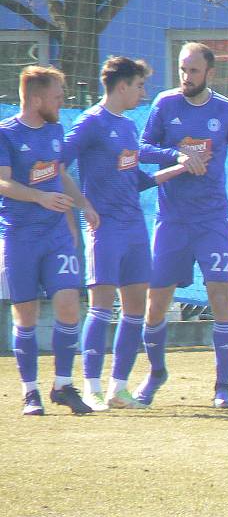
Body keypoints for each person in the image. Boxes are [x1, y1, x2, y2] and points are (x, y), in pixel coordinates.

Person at [62, 56, 188, 411]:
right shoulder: (90, 123)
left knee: (135, 307)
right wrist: (83, 205)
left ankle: (119, 387)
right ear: (121, 86)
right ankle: (91, 387)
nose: (143, 92)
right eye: (139, 86)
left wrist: (178, 166)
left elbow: (138, 181)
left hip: (134, 227)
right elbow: (57, 164)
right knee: (101, 308)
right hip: (105, 229)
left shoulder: (130, 127)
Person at [136, 42, 228, 409]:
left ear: (210, 73)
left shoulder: (227, 111)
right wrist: (177, 154)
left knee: (221, 297)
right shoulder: (164, 104)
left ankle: (223, 387)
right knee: (155, 304)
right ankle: (156, 373)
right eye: (182, 69)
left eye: (193, 71)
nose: (186, 77)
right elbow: (142, 149)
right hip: (171, 220)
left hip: (212, 220)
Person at [0, 65, 100, 415]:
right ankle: (30, 392)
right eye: (58, 96)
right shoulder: (6, 134)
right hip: (20, 236)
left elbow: (58, 175)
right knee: (25, 316)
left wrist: (82, 204)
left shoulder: (56, 130)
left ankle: (63, 384)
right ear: (38, 98)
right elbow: (3, 182)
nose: (63, 101)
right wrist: (39, 197)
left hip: (56, 234)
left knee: (69, 302)